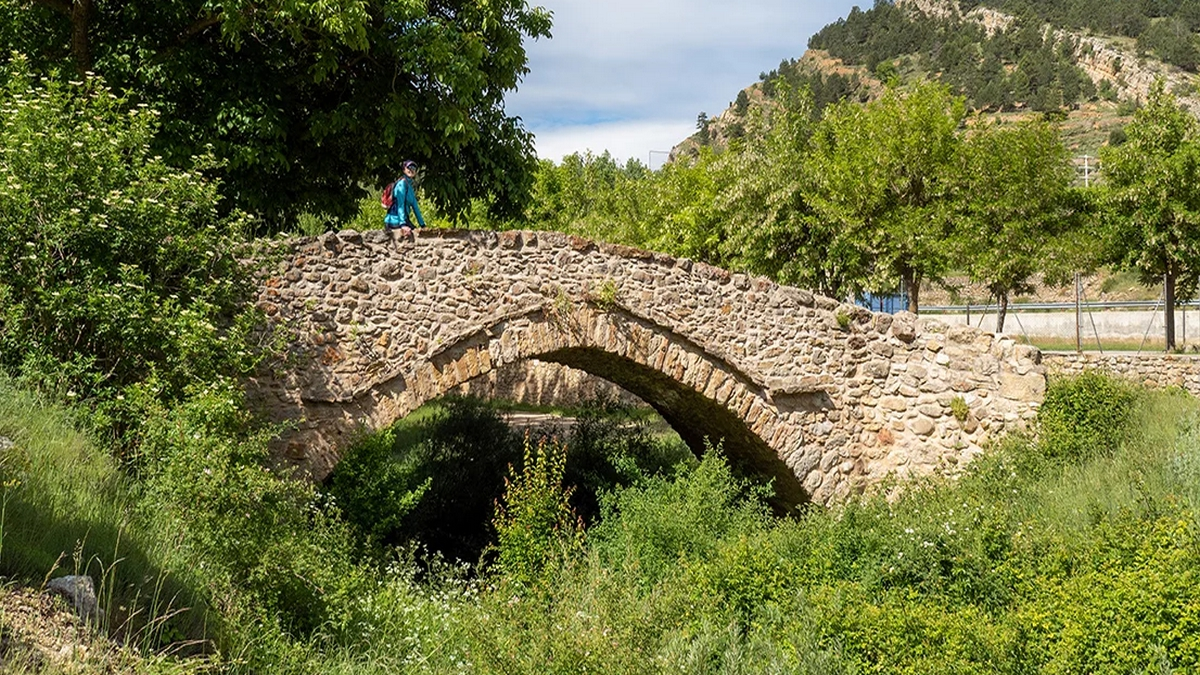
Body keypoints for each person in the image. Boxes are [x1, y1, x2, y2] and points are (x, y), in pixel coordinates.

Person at [384, 160, 426, 234]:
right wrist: (403, 225)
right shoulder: (402, 184)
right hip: (394, 220)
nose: (411, 170)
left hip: (404, 219)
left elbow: (415, 207)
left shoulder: (410, 186)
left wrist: (423, 225)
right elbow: (400, 205)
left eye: (414, 168)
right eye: (409, 167)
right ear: (404, 170)